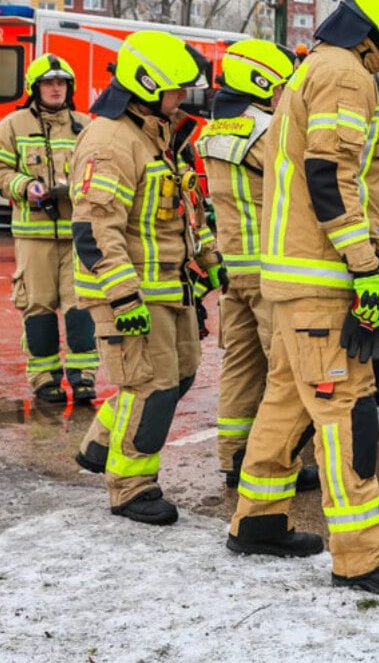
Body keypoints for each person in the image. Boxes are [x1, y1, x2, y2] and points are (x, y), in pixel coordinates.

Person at [225, 0, 379, 601]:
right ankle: (363, 556)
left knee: (287, 402)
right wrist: (365, 265)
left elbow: (322, 176)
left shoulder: (318, 67)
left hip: (298, 276)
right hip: (322, 281)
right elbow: (331, 175)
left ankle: (260, 520)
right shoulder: (346, 75)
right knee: (349, 413)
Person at [70, 31, 222, 525]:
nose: (182, 97)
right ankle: (131, 487)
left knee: (177, 378)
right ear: (148, 86)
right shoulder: (111, 140)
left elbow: (180, 214)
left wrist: (212, 262)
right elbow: (94, 228)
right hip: (130, 294)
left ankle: (99, 444)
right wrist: (124, 296)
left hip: (166, 290)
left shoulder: (155, 135)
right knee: (152, 386)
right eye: (176, 89)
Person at [194, 38, 320, 493]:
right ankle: (275, 464)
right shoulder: (265, 132)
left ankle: (233, 458)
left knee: (241, 369)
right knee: (284, 373)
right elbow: (303, 182)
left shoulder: (214, 130)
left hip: (236, 270)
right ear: (262, 82)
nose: (285, 91)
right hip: (271, 269)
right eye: (282, 83)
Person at [0, 54, 99, 404]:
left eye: (62, 83)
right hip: (33, 235)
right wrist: (26, 187)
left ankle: (84, 376)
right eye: (49, 83)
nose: (56, 88)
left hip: (76, 236)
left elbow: (96, 173)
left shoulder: (85, 125)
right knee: (38, 308)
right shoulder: (12, 125)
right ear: (35, 88)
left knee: (81, 307)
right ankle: (44, 379)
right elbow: (1, 172)